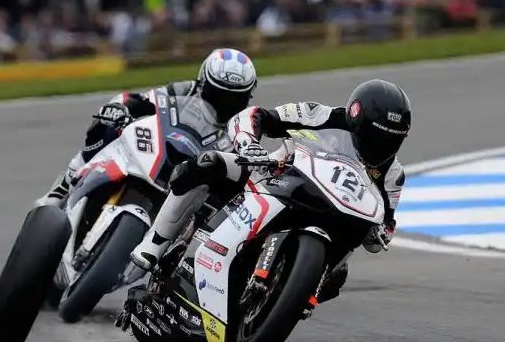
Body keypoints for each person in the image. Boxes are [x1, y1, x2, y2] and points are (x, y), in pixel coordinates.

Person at [130, 78, 412, 304]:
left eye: (392, 141)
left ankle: (285, 301)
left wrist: (380, 233)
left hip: (333, 218)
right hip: (273, 177)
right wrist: (249, 143)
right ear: (356, 119)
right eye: (376, 136)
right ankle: (154, 244)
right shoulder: (319, 115)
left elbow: (385, 223)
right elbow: (257, 116)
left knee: (338, 277)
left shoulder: (393, 174)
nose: (381, 146)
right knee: (206, 164)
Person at [34, 48, 258, 207]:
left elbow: (243, 174)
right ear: (202, 83)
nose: (224, 105)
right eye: (218, 95)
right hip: (158, 151)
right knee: (107, 125)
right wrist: (118, 109)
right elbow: (139, 100)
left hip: (187, 189)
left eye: (234, 99)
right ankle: (65, 183)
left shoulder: (243, 126)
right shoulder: (186, 90)